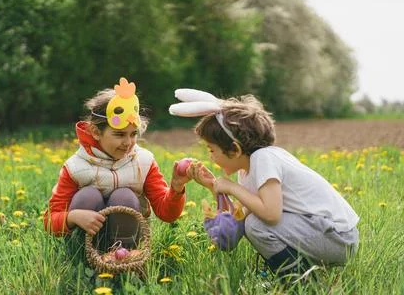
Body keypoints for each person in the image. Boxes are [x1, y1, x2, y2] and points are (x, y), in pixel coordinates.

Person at [169, 89, 359, 280]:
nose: (210, 156)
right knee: (253, 222)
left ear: (234, 149)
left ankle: (300, 283)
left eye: (212, 149)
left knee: (257, 226)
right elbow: (238, 218)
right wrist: (214, 187)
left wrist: (232, 188)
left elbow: (271, 214)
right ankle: (296, 275)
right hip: (324, 233)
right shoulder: (248, 169)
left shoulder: (263, 159)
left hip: (339, 238)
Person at [44, 77, 189, 252]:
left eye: (133, 134)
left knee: (125, 196)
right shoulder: (75, 167)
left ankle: (124, 257)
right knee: (88, 195)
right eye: (119, 135)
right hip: (87, 240)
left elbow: (167, 214)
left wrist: (176, 188)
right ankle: (84, 256)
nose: (128, 142)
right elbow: (50, 221)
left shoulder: (144, 162)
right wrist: (72, 217)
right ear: (96, 132)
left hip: (128, 240)